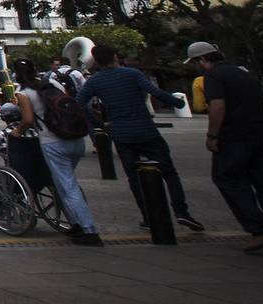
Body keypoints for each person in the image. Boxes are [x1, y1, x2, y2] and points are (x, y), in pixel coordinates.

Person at [76, 43, 203, 231]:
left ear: (95, 61)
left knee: (134, 177)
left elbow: (79, 103)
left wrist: (99, 122)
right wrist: (177, 101)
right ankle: (181, 211)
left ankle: (148, 216)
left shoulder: (95, 81)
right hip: (146, 130)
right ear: (115, 57)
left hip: (122, 134)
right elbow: (156, 93)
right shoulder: (132, 74)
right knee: (169, 172)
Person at [187, 42, 263, 255]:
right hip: (260, 137)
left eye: (195, 63)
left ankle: (260, 228)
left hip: (234, 139)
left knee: (226, 179)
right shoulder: (245, 74)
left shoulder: (213, 77)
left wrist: (212, 136)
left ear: (202, 60)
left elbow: (217, 106)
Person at [11, 57, 101, 245]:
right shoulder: (53, 83)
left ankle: (88, 229)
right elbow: (70, 103)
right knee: (62, 184)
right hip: (75, 138)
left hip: (53, 142)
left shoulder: (23, 92)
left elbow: (27, 120)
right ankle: (75, 223)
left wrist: (17, 131)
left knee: (68, 185)